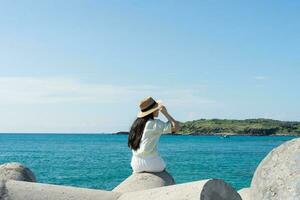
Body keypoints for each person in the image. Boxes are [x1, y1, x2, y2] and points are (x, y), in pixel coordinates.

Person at [128, 96, 181, 173]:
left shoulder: (136, 124)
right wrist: (166, 113)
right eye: (157, 109)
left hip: (135, 163)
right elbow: (177, 127)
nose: (158, 111)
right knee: (163, 169)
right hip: (151, 163)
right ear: (152, 111)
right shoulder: (155, 124)